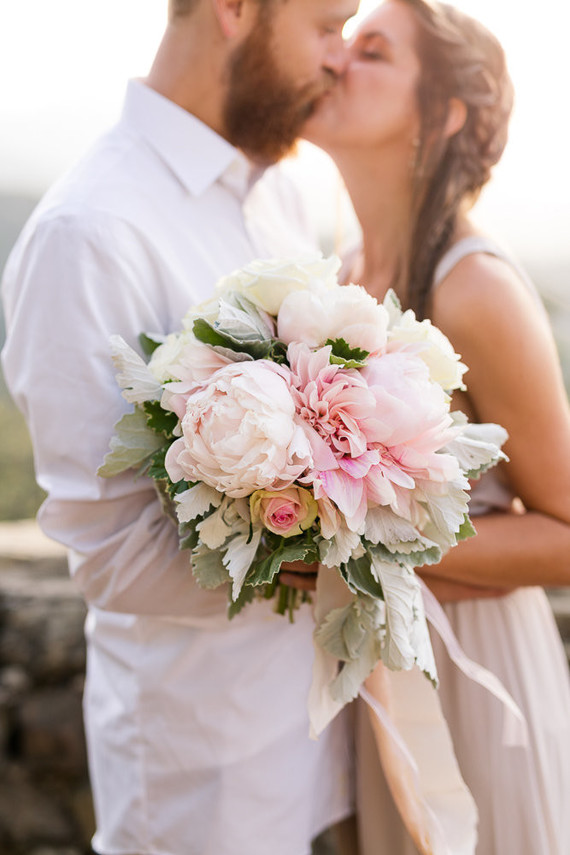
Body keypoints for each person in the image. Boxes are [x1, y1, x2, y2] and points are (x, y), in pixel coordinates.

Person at [1, 2, 362, 854]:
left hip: (315, 737)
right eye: (326, 25)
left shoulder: (276, 194)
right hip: (204, 775)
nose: (340, 57)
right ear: (237, 10)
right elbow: (114, 557)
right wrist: (356, 536)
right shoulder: (89, 232)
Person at [302, 1, 570, 853]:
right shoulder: (336, 279)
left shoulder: (474, 287)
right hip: (384, 678)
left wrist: (349, 551)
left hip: (481, 688)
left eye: (373, 52)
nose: (337, 60)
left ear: (443, 114)